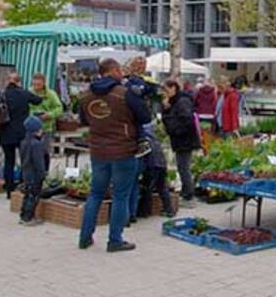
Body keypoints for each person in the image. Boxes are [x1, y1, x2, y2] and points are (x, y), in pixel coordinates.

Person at [78, 58, 151, 252]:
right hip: (123, 151)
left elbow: (83, 119)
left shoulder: (86, 95)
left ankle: (85, 237)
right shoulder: (125, 94)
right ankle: (115, 240)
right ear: (113, 71)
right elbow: (145, 117)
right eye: (119, 70)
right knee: (120, 196)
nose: (122, 73)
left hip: (98, 150)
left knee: (95, 194)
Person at [0, 73, 42, 198]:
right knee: (26, 161)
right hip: (22, 133)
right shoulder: (24, 93)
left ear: (8, 82)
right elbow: (38, 100)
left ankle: (9, 190)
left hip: (6, 133)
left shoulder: (1, 95)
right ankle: (25, 187)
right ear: (19, 82)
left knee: (9, 161)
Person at [161, 79, 201, 209]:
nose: (165, 93)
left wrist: (175, 130)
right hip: (181, 140)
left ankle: (189, 196)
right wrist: (166, 109)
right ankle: (186, 193)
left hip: (185, 140)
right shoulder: (175, 102)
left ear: (174, 88)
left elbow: (186, 122)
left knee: (184, 168)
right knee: (182, 167)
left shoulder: (182, 101)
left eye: (166, 90)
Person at [136, 122, 175, 219]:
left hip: (152, 166)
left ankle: (145, 211)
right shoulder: (155, 139)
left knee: (147, 189)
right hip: (161, 165)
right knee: (162, 188)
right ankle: (169, 209)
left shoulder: (145, 140)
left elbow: (143, 155)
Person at [29, 72, 63, 172]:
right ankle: (32, 175)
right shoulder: (29, 92)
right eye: (34, 84)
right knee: (31, 152)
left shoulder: (51, 94)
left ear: (44, 83)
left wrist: (49, 114)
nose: (36, 87)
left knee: (44, 152)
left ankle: (45, 173)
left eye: (38, 85)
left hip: (46, 128)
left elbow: (59, 108)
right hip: (32, 129)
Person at [18, 116, 47, 226]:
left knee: (27, 195)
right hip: (35, 174)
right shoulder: (37, 145)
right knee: (33, 196)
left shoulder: (24, 142)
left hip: (26, 172)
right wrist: (42, 173)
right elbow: (39, 162)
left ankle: (23, 214)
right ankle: (28, 217)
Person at [194, 78, 217, 151]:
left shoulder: (199, 91)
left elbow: (195, 100)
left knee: (201, 131)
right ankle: (208, 146)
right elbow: (214, 102)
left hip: (201, 114)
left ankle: (202, 145)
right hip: (210, 115)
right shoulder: (213, 91)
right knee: (209, 132)